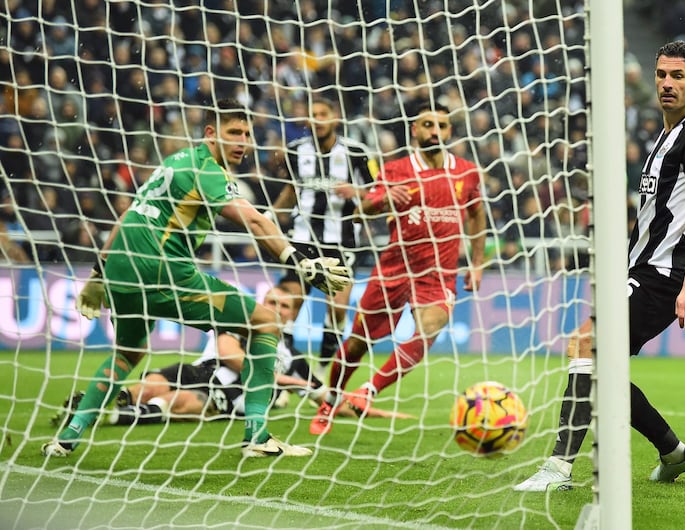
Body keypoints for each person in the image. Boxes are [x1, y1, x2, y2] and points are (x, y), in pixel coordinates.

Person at [42, 98, 351, 460]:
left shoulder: (173, 162)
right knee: (266, 324)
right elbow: (253, 221)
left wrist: (98, 275)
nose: (243, 142)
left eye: (247, 134)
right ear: (210, 133)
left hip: (122, 273)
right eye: (233, 132)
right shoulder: (208, 169)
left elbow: (128, 213)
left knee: (128, 352)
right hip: (163, 270)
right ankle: (258, 436)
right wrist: (299, 262)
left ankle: (68, 436)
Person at [514, 41, 685, 491]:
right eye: (662, 74)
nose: (668, 83)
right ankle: (674, 453)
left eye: (678, 76)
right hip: (639, 269)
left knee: (585, 346)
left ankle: (558, 469)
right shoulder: (664, 134)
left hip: (663, 278)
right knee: (603, 370)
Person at [309, 101, 487, 435]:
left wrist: (477, 263)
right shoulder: (396, 170)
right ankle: (331, 400)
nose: (435, 132)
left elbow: (477, 214)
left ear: (450, 131)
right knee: (358, 344)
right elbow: (363, 210)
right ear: (414, 130)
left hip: (437, 277)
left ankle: (367, 392)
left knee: (428, 331)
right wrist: (387, 199)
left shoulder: (465, 171)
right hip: (394, 270)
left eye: (442, 126)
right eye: (427, 125)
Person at [94, 286, 412, 425]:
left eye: (284, 306)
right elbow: (231, 356)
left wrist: (380, 413)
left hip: (231, 394)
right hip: (200, 370)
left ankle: (114, 417)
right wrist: (284, 382)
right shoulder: (238, 324)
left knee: (182, 401)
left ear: (291, 316)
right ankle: (95, 404)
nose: (276, 308)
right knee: (150, 384)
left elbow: (328, 399)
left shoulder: (295, 359)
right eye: (271, 302)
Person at [270, 97, 377, 375]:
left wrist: (358, 192)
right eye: (312, 114)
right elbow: (291, 189)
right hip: (302, 238)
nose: (317, 119)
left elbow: (378, 192)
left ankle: (321, 368)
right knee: (289, 304)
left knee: (338, 309)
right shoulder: (294, 151)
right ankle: (283, 371)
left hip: (341, 241)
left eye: (322, 113)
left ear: (335, 117)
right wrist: (270, 216)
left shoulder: (357, 152)